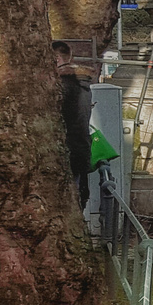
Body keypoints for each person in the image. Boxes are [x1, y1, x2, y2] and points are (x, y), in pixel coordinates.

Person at [54, 41, 90, 205]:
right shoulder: (84, 84)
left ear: (57, 58)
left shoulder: (64, 86)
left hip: (67, 150)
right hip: (81, 149)